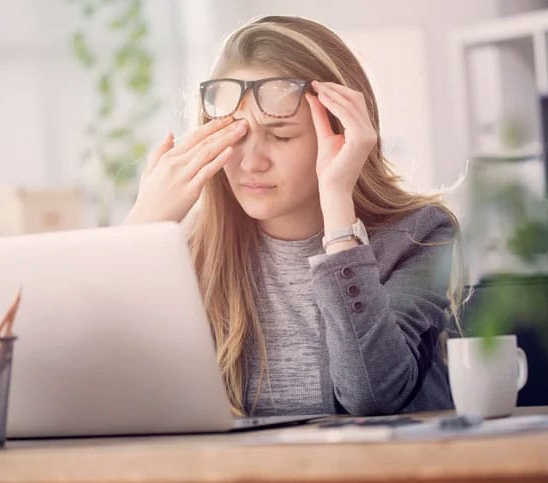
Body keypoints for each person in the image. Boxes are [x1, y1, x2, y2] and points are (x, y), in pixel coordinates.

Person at [125, 15, 463, 417]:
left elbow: (373, 396)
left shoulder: (420, 235)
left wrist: (338, 208)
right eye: (237, 134)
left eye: (281, 136)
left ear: (341, 135)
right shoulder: (194, 248)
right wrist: (140, 232)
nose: (252, 162)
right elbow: (110, 392)